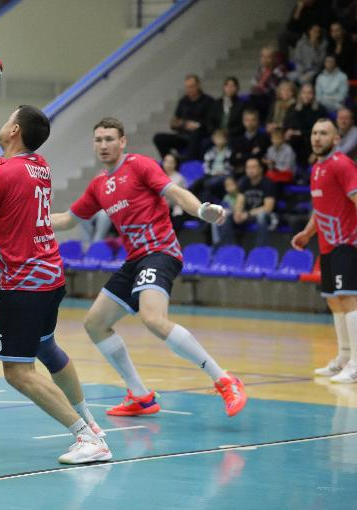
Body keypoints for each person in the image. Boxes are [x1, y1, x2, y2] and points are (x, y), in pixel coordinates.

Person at [50, 117, 247, 419]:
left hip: (160, 251)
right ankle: (140, 396)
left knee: (153, 318)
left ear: (122, 141)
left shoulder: (140, 165)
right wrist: (27, 217)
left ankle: (224, 380)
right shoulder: (98, 185)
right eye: (98, 140)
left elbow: (175, 193)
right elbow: (67, 219)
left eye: (109, 139)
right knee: (95, 323)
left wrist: (201, 209)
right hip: (134, 260)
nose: (103, 145)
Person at [0, 105, 111, 465]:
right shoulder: (38, 165)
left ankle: (86, 436)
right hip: (50, 275)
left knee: (17, 372)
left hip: (23, 283)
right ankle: (91, 422)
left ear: (14, 129)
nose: (3, 123)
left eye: (7, 119)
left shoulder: (2, 176)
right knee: (47, 347)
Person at [292, 118, 357, 383]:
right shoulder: (317, 168)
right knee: (334, 300)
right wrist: (307, 233)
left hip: (347, 243)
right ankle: (344, 357)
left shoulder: (342, 164)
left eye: (324, 133)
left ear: (336, 139)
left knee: (348, 298)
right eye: (314, 133)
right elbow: (320, 210)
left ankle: (356, 364)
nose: (317, 138)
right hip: (327, 245)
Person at [152, 74, 213, 160]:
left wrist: (198, 125)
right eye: (187, 87)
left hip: (200, 134)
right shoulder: (183, 101)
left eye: (192, 86)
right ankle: (170, 160)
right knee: (158, 138)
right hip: (183, 135)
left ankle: (187, 160)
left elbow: (212, 122)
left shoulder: (208, 101)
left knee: (196, 132)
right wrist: (183, 124)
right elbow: (174, 121)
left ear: (198, 85)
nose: (189, 89)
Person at [219, 157, 277, 246]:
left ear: (260, 169)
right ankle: (226, 247)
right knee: (226, 214)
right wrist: (237, 213)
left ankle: (261, 248)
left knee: (261, 216)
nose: (250, 170)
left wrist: (248, 214)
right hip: (247, 214)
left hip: (266, 216)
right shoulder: (244, 181)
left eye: (253, 167)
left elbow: (268, 208)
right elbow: (240, 200)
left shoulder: (268, 183)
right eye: (248, 167)